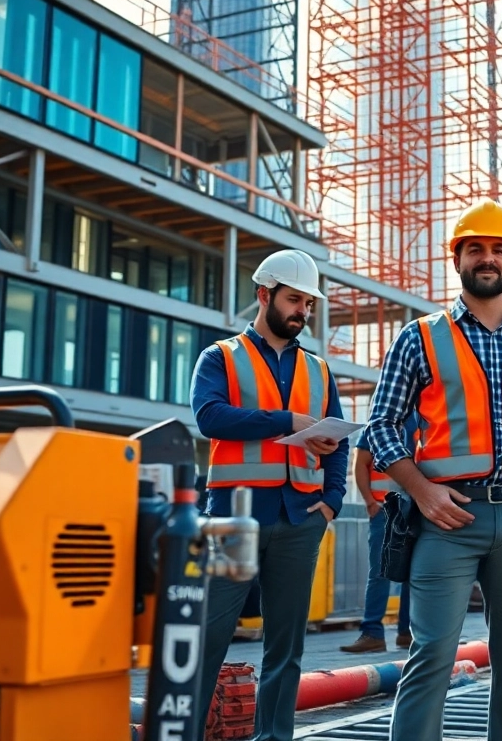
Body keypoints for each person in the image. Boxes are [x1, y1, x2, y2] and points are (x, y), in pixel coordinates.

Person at [367, 199, 502, 741]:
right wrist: (422, 492)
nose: (487, 258)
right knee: (431, 655)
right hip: (447, 518)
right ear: (458, 259)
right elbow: (381, 426)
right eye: (475, 249)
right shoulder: (419, 336)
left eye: (497, 249)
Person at [190, 248, 347, 741]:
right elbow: (210, 417)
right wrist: (287, 421)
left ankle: (273, 736)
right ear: (264, 294)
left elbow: (338, 441)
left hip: (300, 518)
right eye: (294, 299)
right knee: (209, 638)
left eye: (308, 303)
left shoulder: (319, 370)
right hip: (233, 518)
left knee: (286, 646)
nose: (302, 310)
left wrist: (331, 501)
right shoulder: (220, 357)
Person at [339, 415, 420, 654]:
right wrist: (370, 502)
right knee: (380, 572)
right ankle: (372, 633)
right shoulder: (378, 424)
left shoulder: (423, 421)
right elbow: (360, 463)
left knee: (414, 573)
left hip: (417, 509)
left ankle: (407, 633)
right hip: (385, 509)